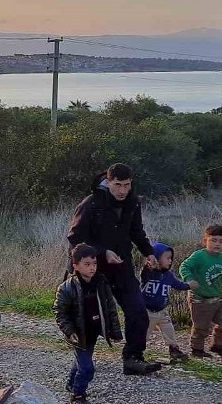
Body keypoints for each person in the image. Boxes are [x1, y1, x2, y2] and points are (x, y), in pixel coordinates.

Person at [67, 163, 162, 375]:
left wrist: (148, 252)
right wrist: (102, 252)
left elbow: (136, 231)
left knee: (137, 310)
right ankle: (82, 365)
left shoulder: (133, 202)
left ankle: (133, 359)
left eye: (126, 185)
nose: (122, 190)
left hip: (121, 265)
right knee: (89, 318)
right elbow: (75, 237)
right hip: (92, 268)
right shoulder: (91, 204)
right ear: (108, 182)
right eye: (118, 185)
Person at [53, 243, 122, 404]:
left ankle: (71, 383)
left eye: (94, 263)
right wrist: (69, 331)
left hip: (93, 332)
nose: (92, 268)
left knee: (82, 361)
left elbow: (110, 308)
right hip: (78, 334)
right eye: (87, 264)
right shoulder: (67, 288)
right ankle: (78, 395)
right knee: (87, 368)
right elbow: (60, 312)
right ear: (76, 266)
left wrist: (115, 331)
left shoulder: (101, 283)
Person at [179, 224, 222, 358]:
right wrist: (189, 279)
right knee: (201, 326)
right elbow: (184, 266)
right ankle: (197, 349)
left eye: (221, 241)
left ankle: (217, 345)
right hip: (200, 298)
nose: (217, 244)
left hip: (219, 298)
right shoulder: (199, 256)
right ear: (205, 241)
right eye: (213, 240)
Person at [140, 242, 198, 362]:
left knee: (169, 329)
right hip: (147, 311)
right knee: (143, 333)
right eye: (167, 258)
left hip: (162, 311)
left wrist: (188, 286)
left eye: (171, 258)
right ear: (156, 258)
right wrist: (149, 265)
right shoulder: (148, 274)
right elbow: (144, 273)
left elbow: (178, 285)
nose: (170, 261)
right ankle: (137, 351)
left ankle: (173, 349)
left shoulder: (169, 276)